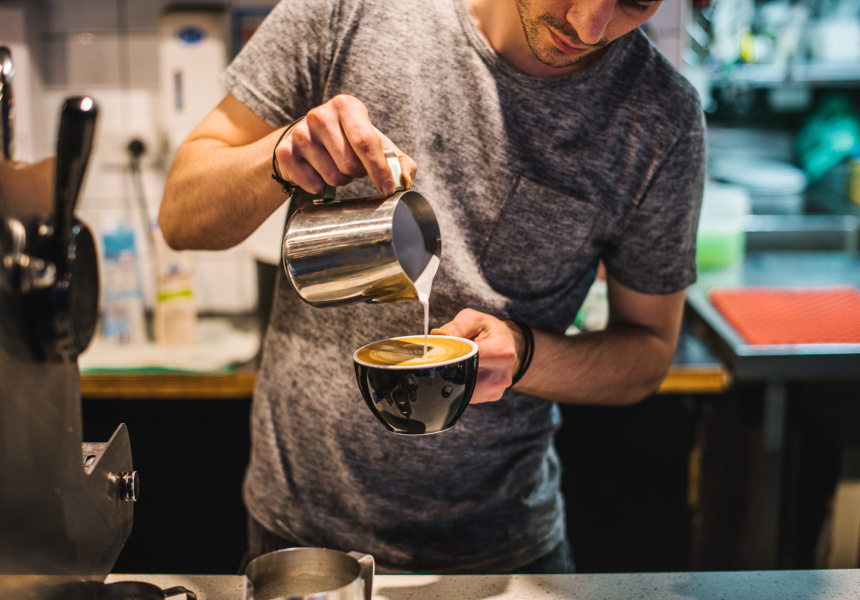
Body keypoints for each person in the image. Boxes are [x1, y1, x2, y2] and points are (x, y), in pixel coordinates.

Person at [159, 0, 705, 574]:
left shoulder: (658, 116)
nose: (588, 28)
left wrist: (526, 355)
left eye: (635, 1)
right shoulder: (347, 11)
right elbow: (179, 218)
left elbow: (648, 352)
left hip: (504, 553)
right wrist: (279, 157)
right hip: (302, 539)